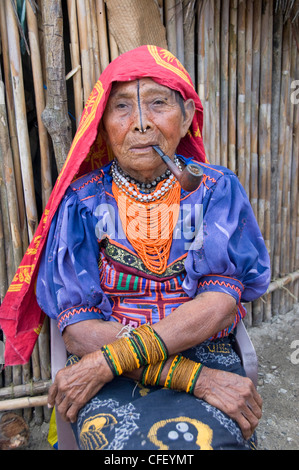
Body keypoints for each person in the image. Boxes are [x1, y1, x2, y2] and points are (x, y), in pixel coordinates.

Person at [2, 46, 270, 451]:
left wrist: (112, 361)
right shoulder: (83, 202)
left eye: (158, 104)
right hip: (104, 353)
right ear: (102, 126)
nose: (141, 124)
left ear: (185, 119)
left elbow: (219, 303)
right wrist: (193, 379)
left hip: (202, 348)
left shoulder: (216, 190)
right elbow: (78, 330)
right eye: (122, 107)